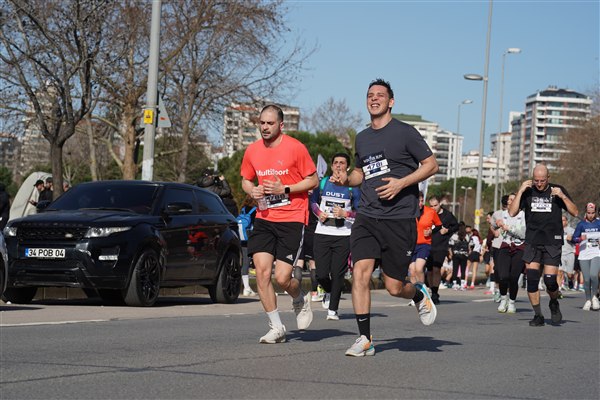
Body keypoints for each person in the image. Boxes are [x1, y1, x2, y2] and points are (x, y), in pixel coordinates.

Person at [330, 78, 439, 356]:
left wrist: (402, 183)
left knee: (393, 286)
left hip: (399, 218)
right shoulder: (362, 137)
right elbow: (361, 172)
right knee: (360, 273)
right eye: (370, 95)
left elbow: (431, 165)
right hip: (367, 215)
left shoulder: (405, 133)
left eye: (380, 95)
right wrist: (346, 179)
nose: (374, 98)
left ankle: (418, 294)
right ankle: (364, 338)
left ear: (391, 102)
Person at [240, 104, 318, 344]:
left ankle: (299, 297)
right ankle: (276, 327)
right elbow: (245, 180)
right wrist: (252, 190)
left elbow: (313, 180)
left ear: (281, 125)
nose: (265, 127)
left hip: (292, 218)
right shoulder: (253, 150)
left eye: (270, 123)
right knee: (262, 272)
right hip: (264, 217)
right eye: (262, 123)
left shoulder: (295, 148)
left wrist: (284, 189)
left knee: (283, 278)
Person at [508, 164, 578, 326]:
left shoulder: (557, 190)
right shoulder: (527, 191)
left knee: (550, 280)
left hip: (552, 242)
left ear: (548, 178)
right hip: (532, 242)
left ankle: (554, 302)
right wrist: (520, 191)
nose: (539, 184)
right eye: (536, 180)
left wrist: (562, 196)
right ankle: (538, 315)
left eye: (542, 180)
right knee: (532, 280)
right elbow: (512, 212)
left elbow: (575, 212)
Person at [311, 152, 360, 321]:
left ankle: (333, 309)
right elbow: (312, 202)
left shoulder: (353, 188)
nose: (339, 165)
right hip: (322, 232)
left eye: (342, 163)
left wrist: (346, 214)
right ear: (332, 166)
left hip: (343, 234)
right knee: (321, 274)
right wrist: (319, 213)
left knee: (338, 274)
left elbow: (360, 212)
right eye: (336, 162)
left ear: (348, 167)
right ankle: (329, 291)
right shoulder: (323, 183)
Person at [495, 193, 526, 314]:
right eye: (510, 199)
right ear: (507, 202)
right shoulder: (502, 214)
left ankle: (512, 302)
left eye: (515, 199)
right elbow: (494, 225)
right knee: (503, 276)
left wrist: (509, 228)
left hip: (519, 248)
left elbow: (523, 234)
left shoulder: (523, 215)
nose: (512, 201)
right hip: (505, 246)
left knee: (514, 278)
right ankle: (503, 299)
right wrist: (497, 224)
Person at [408, 191, 442, 301]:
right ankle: (415, 296)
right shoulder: (408, 212)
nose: (420, 203)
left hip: (424, 244)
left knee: (419, 268)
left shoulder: (430, 212)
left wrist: (431, 231)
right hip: (411, 244)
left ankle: (423, 294)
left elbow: (439, 225)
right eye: (418, 201)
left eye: (422, 201)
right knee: (412, 270)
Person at [425, 195, 458, 304]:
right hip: (428, 245)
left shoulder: (447, 215)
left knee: (436, 269)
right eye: (431, 206)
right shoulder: (427, 213)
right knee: (429, 270)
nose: (433, 208)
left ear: (440, 204)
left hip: (441, 246)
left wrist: (447, 230)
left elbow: (456, 226)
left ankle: (435, 293)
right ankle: (431, 290)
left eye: (435, 205)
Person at [572, 203, 600, 311]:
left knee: (594, 275)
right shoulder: (581, 224)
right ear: (586, 212)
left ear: (595, 213)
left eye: (592, 213)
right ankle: (588, 300)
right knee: (587, 279)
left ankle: (594, 297)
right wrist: (580, 239)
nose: (591, 215)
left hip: (596, 253)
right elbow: (574, 239)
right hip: (584, 254)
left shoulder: (599, 223)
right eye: (589, 213)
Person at [237, 195, 258, 297]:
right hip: (252, 238)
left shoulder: (243, 210)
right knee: (259, 264)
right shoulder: (255, 210)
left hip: (242, 238)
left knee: (245, 262)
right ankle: (264, 288)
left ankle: (246, 287)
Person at [558, 215, 576, 293]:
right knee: (560, 272)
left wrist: (572, 239)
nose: (562, 222)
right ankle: (559, 290)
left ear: (566, 221)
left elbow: (576, 240)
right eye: (561, 220)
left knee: (569, 274)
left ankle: (570, 279)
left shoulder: (571, 230)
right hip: (560, 253)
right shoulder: (556, 230)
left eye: (563, 220)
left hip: (570, 253)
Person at [450, 224, 469, 290]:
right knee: (463, 270)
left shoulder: (454, 236)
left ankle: (454, 284)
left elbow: (450, 245)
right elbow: (471, 245)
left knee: (455, 269)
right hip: (464, 254)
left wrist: (451, 253)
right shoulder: (466, 236)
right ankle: (462, 284)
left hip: (456, 254)